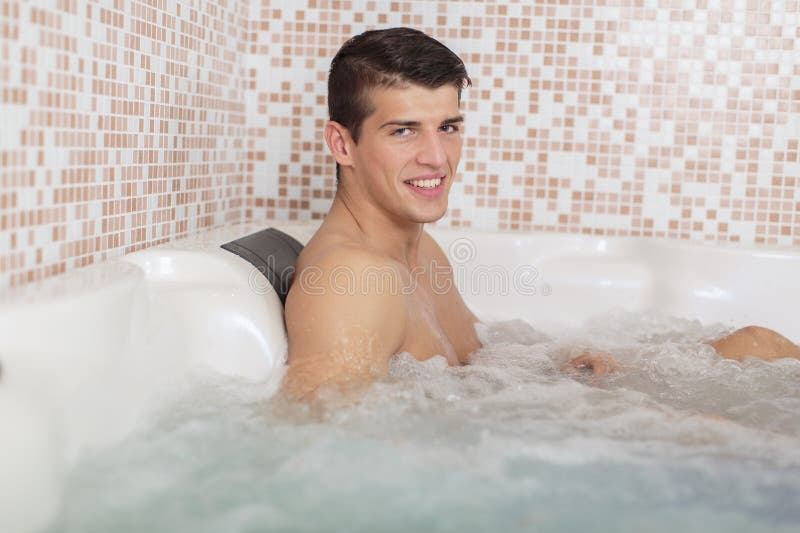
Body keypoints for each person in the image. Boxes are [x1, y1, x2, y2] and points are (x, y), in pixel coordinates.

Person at [281, 27, 800, 401]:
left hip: (512, 422)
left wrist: (561, 365)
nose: (437, 157)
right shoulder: (350, 280)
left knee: (757, 343)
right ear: (342, 144)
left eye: (449, 127)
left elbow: (480, 355)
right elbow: (326, 446)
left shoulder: (416, 250)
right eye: (404, 131)